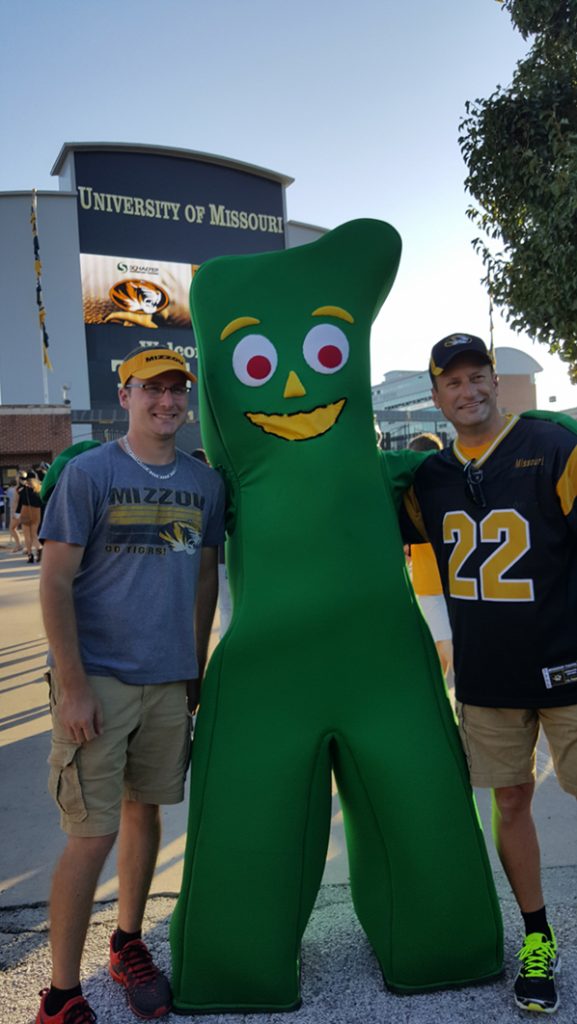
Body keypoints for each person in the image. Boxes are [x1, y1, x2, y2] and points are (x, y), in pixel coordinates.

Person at [36, 343, 225, 1024]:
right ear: (125, 396)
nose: (167, 401)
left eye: (178, 391)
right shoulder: (89, 475)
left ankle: (127, 942)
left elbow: (204, 579)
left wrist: (194, 667)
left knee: (144, 812)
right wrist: (75, 685)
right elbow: (54, 582)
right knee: (90, 834)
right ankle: (59, 995)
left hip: (168, 679)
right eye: (153, 389)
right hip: (100, 680)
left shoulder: (204, 485)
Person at [402, 332, 577, 1015]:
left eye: (478, 376)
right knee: (509, 803)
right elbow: (396, 545)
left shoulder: (553, 447)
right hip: (486, 674)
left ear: (495, 383)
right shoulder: (428, 478)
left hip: (566, 661)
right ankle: (537, 936)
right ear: (436, 396)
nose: (467, 390)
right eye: (453, 381)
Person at [406, 433, 453, 679]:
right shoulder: (409, 494)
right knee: (448, 650)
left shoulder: (440, 490)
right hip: (432, 587)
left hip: (442, 586)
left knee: (440, 655)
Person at [16, 470, 43, 563]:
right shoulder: (39, 489)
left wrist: (17, 513)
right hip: (36, 511)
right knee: (34, 534)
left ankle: (30, 555)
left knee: (27, 536)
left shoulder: (22, 490)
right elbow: (42, 502)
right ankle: (39, 548)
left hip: (25, 511)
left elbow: (19, 503)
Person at [7, 477, 24, 551]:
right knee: (25, 529)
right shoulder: (24, 488)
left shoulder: (14, 489)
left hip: (16, 511)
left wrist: (14, 512)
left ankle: (19, 545)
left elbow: (15, 502)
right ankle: (22, 546)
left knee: (12, 528)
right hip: (24, 510)